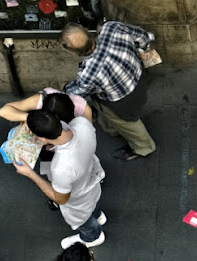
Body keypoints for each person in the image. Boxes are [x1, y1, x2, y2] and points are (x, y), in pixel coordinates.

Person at [60, 21, 156, 161]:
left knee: (130, 124)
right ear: (88, 31)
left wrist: (63, 88)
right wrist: (142, 50)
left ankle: (144, 147)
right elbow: (142, 36)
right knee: (111, 117)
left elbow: (78, 92)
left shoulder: (89, 73)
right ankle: (112, 128)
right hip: (138, 79)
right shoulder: (112, 28)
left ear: (73, 52)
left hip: (120, 101)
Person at [14, 109, 106, 248]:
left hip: (79, 200)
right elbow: (85, 108)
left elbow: (60, 199)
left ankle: (93, 237)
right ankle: (99, 216)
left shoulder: (61, 168)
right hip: (93, 180)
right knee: (93, 205)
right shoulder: (81, 123)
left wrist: (30, 173)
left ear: (42, 139)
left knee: (85, 221)